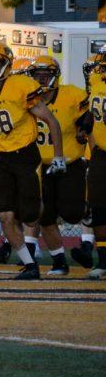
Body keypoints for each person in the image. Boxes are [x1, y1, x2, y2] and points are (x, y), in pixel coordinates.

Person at [0, 41, 64, 280]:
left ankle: (37, 221)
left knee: (29, 214)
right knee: (4, 215)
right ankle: (30, 265)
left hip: (25, 155)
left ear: (6, 64)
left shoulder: (21, 85)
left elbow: (52, 121)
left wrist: (58, 156)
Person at [28, 56, 88, 276]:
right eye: (38, 74)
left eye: (46, 74)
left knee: (72, 214)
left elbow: (87, 120)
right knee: (46, 216)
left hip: (69, 162)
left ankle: (88, 217)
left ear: (56, 75)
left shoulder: (72, 95)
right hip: (40, 165)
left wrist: (83, 133)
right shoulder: (27, 98)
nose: (42, 78)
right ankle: (59, 261)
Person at [82, 51, 106, 279]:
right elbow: (93, 112)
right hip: (100, 154)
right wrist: (85, 128)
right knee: (98, 207)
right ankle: (103, 260)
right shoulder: (97, 81)